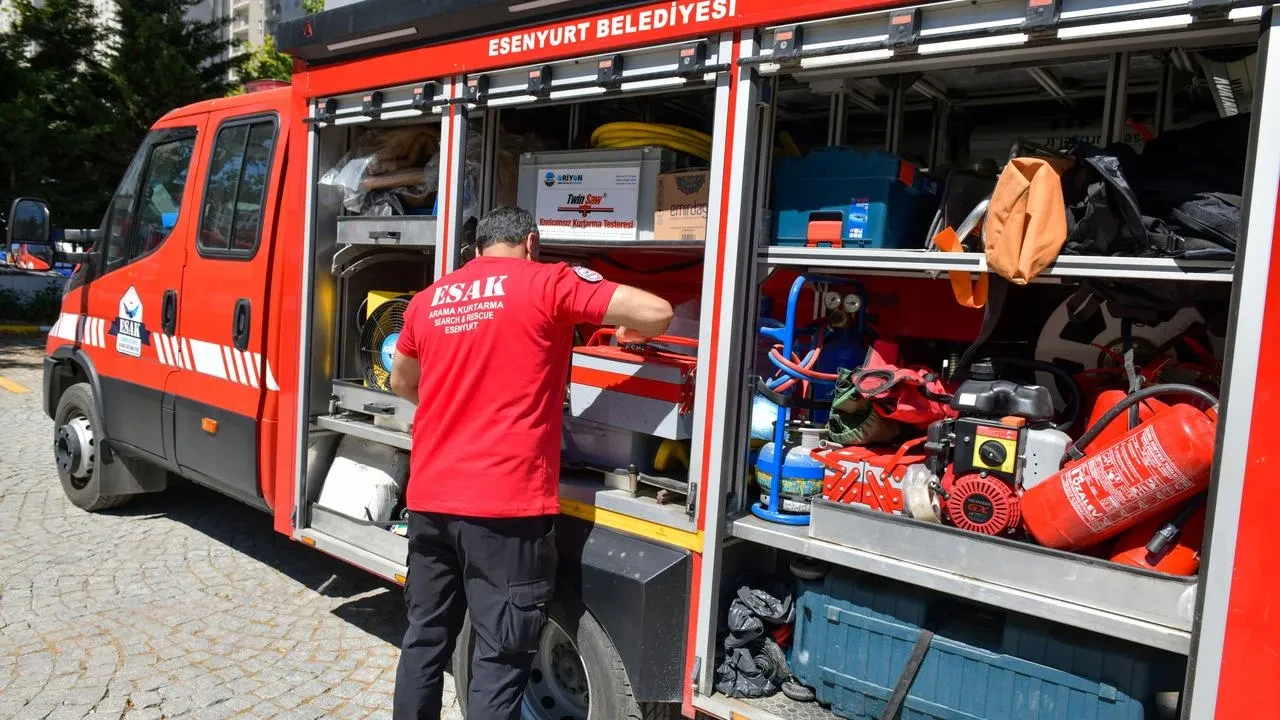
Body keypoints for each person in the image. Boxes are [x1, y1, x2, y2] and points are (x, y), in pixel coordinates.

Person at [388, 206, 674, 719]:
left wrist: (456, 408)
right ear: (531, 244)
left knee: (425, 640)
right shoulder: (547, 282)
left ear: (477, 249)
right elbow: (657, 310)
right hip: (503, 509)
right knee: (499, 657)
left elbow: (402, 381)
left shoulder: (430, 299)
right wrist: (631, 332)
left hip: (430, 499)